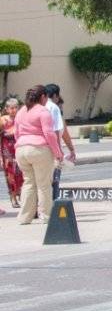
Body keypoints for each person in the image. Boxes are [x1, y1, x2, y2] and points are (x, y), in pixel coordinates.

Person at [14, 85, 62, 224]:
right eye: (46, 97)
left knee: (28, 183)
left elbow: (16, 132)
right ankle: (46, 216)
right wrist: (57, 152)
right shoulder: (43, 111)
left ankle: (24, 217)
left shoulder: (21, 110)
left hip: (21, 149)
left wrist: (22, 143)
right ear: (42, 97)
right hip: (39, 149)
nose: (47, 100)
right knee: (44, 184)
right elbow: (49, 134)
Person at [43, 84, 76, 201]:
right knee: (54, 180)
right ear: (56, 95)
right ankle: (53, 208)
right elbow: (57, 131)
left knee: (39, 181)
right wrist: (60, 152)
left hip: (35, 148)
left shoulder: (36, 106)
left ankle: (37, 209)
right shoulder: (53, 108)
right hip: (50, 149)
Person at [1, 96, 23, 209]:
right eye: (11, 108)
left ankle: (21, 195)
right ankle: (13, 198)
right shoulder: (3, 120)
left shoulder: (21, 119)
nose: (14, 110)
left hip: (19, 150)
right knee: (11, 176)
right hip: (7, 153)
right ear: (6, 109)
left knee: (21, 174)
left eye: (16, 107)